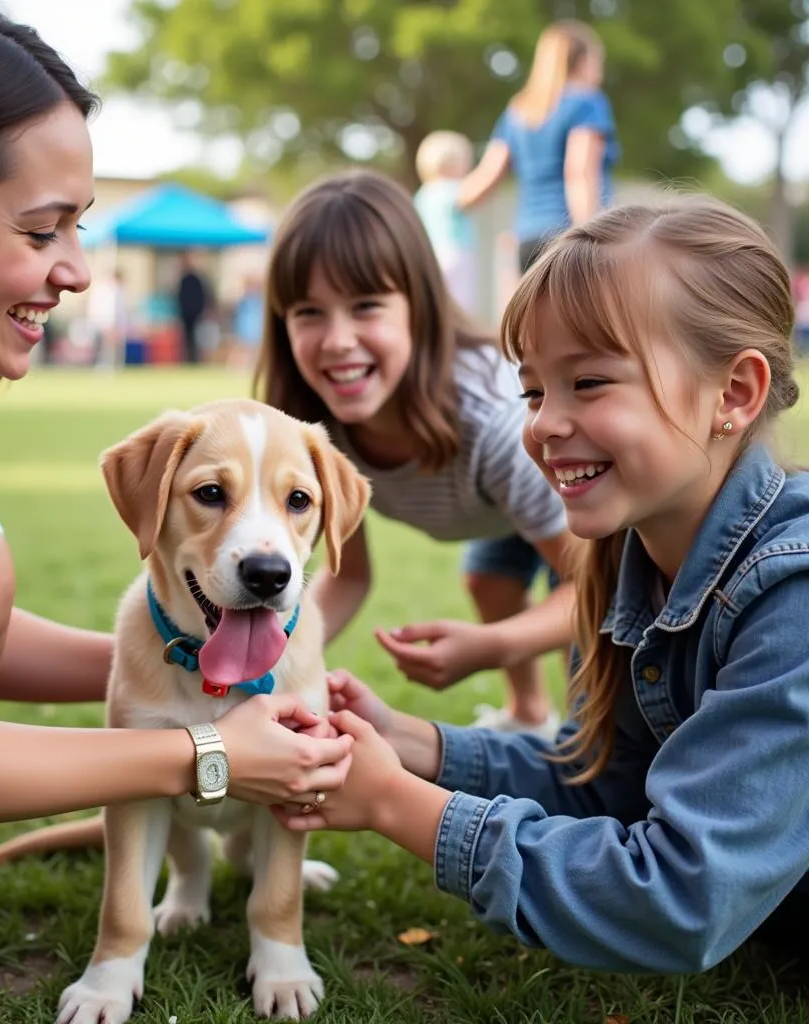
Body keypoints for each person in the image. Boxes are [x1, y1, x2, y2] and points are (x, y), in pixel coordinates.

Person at [0, 0, 353, 995]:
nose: (80, 273)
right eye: (43, 229)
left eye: (79, 229)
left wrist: (215, 669)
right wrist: (202, 748)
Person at [278, 196, 809, 972]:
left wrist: (396, 804)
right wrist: (411, 744)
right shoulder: (628, 559)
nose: (544, 424)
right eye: (532, 391)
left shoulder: (791, 594)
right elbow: (607, 787)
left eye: (589, 382)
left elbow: (680, 899)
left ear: (733, 393)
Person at [255, 170, 578, 739]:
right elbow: (348, 574)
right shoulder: (314, 429)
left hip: (580, 511)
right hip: (494, 509)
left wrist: (492, 645)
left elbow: (600, 584)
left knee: (600, 688)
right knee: (490, 579)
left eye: (366, 306)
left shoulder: (495, 425)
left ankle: (566, 726)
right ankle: (528, 716)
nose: (337, 340)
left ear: (419, 307)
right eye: (309, 312)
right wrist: (273, 657)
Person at [457, 19, 619, 274]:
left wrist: (440, 199)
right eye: (599, 59)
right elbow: (579, 172)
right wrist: (589, 239)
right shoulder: (587, 103)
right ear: (583, 60)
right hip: (566, 241)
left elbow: (485, 178)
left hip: (528, 242)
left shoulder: (518, 112)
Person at [413, 130, 478, 316]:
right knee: (462, 302)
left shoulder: (423, 193)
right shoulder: (454, 188)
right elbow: (471, 198)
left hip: (432, 253)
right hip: (455, 250)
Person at [176, 250, 212, 364]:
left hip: (195, 312)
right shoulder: (184, 279)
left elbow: (202, 296)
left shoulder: (195, 279)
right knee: (187, 337)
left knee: (196, 337)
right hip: (186, 313)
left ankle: (195, 359)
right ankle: (188, 358)